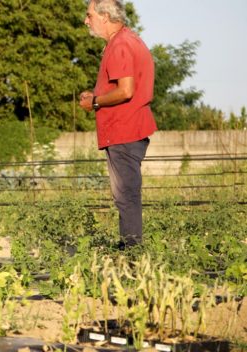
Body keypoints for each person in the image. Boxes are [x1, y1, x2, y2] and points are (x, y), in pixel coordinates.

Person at [79, 0, 157, 248]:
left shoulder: (120, 45)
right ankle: (129, 253)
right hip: (127, 130)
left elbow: (125, 91)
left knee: (126, 197)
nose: (86, 20)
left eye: (89, 14)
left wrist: (94, 102)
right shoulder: (128, 39)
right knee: (126, 196)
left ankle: (132, 259)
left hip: (124, 131)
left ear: (104, 16)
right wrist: (95, 97)